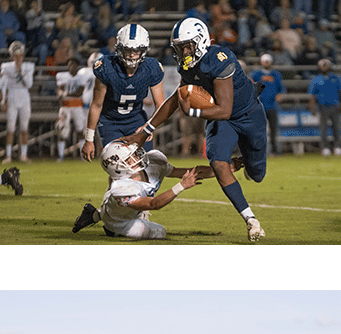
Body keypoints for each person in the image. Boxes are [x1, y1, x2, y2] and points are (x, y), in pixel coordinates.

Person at [125, 17, 269, 242]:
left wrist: (192, 112)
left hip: (249, 116)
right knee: (219, 164)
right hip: (224, 121)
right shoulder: (188, 65)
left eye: (187, 46)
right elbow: (176, 99)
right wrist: (147, 129)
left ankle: (250, 167)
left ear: (200, 41)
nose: (183, 51)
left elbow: (225, 109)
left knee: (257, 174)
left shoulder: (220, 59)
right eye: (179, 47)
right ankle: (251, 220)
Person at [71, 140, 236, 239]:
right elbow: (153, 204)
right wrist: (181, 186)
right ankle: (110, 228)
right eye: (130, 159)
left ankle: (93, 214)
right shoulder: (122, 188)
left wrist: (225, 169)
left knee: (121, 209)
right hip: (121, 222)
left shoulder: (154, 163)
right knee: (159, 232)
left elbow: (188, 171)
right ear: (120, 168)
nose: (137, 156)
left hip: (117, 208)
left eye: (134, 154)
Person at [81, 23, 165, 163]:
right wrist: (89, 139)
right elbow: (96, 105)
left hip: (137, 121)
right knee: (119, 167)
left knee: (146, 167)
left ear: (144, 50)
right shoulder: (107, 67)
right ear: (119, 49)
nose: (132, 54)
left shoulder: (151, 68)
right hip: (110, 122)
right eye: (127, 50)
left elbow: (161, 104)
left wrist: (150, 126)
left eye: (136, 50)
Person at [0, 41, 35, 163]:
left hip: (24, 96)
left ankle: (23, 155)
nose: (18, 57)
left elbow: (29, 84)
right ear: (12, 56)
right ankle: (8, 155)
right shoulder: (6, 67)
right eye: (16, 55)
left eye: (20, 55)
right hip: (12, 96)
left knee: (24, 127)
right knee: (10, 128)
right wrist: (3, 100)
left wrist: (20, 71)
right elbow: (4, 85)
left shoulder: (28, 66)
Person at [308, 58, 341, 156]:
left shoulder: (336, 78)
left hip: (335, 105)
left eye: (326, 65)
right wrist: (312, 107)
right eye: (322, 65)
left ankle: (337, 147)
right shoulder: (316, 79)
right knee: (323, 128)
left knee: (336, 128)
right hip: (323, 106)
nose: (324, 67)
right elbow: (312, 95)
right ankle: (325, 148)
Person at [55, 56, 91, 160]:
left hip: (77, 106)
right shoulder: (62, 76)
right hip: (65, 107)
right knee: (62, 130)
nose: (71, 67)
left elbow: (79, 92)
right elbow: (58, 91)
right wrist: (60, 94)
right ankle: (60, 155)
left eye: (73, 64)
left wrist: (65, 94)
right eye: (69, 64)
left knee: (80, 131)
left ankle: (82, 155)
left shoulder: (81, 77)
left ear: (77, 66)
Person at [251, 54, 285, 155]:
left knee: (274, 129)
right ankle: (259, 150)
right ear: (261, 62)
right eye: (265, 61)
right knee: (259, 129)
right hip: (259, 106)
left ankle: (275, 150)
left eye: (268, 61)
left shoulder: (276, 74)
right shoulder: (256, 74)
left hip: (273, 105)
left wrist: (280, 95)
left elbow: (281, 88)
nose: (266, 63)